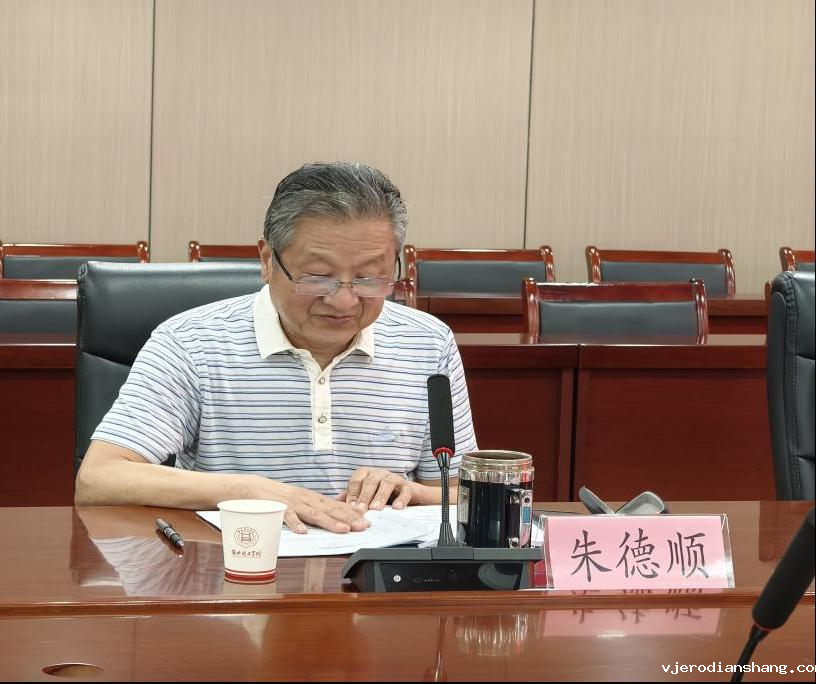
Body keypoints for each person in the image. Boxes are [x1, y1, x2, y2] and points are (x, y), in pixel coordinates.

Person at [75, 161, 477, 534]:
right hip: (237, 572)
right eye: (317, 276)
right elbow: (99, 478)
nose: (344, 301)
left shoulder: (428, 343)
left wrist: (412, 492)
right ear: (268, 261)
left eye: (370, 277)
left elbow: (464, 492)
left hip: (373, 575)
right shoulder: (191, 343)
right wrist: (249, 491)